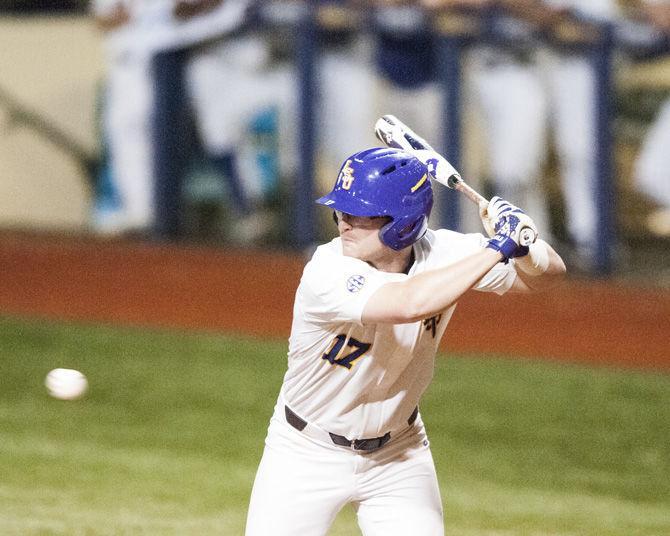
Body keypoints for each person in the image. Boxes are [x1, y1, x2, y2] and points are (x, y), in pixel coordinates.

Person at [245, 145, 566, 535]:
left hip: (399, 454)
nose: (344, 222)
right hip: (305, 452)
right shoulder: (326, 271)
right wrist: (500, 245)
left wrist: (525, 242)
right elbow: (409, 302)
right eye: (341, 210)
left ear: (404, 222)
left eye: (360, 214)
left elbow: (547, 275)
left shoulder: (445, 254)